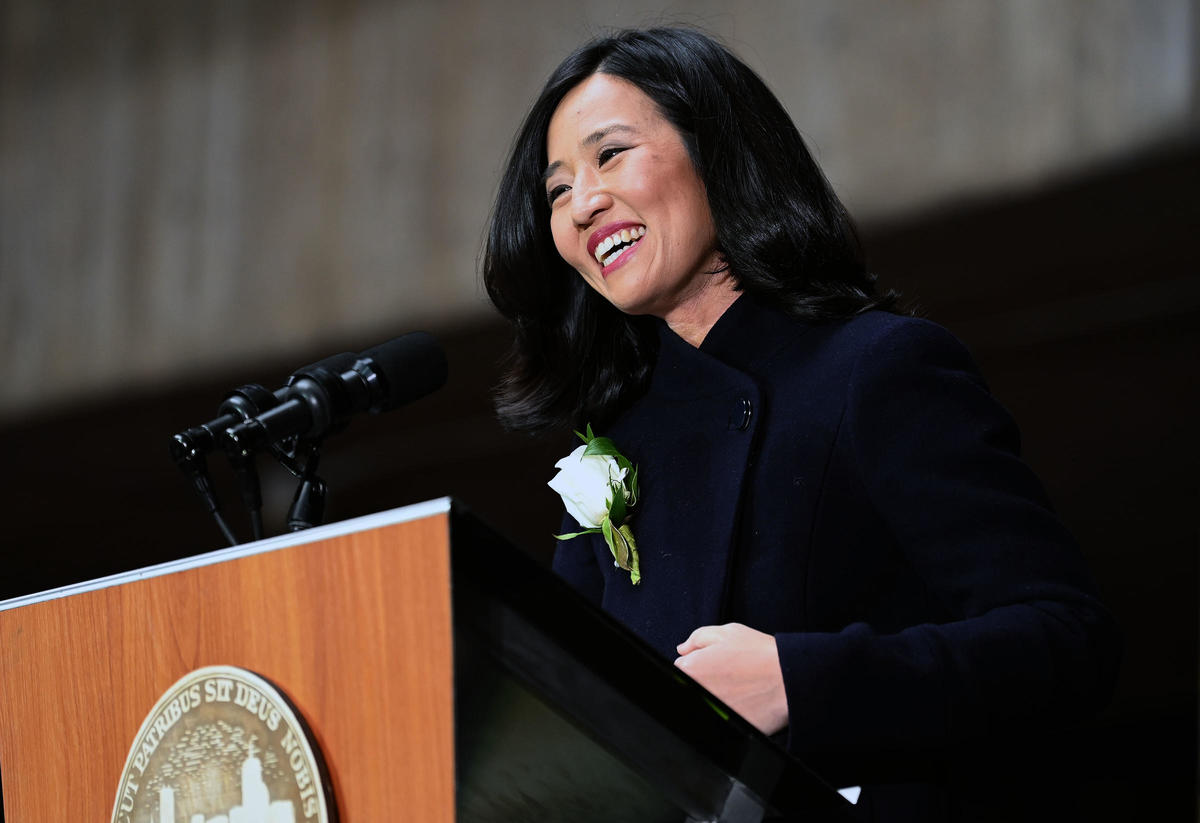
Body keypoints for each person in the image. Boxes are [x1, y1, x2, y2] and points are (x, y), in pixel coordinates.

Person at [483, 27, 1119, 821]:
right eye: (557, 191)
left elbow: (1069, 639)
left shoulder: (876, 369)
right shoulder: (612, 445)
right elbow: (563, 702)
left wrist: (801, 679)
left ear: (717, 152)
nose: (582, 204)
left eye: (610, 154)